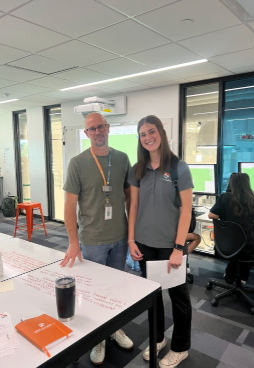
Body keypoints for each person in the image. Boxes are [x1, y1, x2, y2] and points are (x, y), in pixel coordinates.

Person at [60, 112, 133, 365]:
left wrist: (132, 235)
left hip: (120, 238)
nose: (97, 132)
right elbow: (69, 206)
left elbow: (129, 197)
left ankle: (114, 328)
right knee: (93, 292)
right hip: (91, 240)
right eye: (92, 129)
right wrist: (73, 241)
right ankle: (97, 337)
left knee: (115, 290)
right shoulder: (77, 163)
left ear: (108, 127)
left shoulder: (122, 159)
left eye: (101, 127)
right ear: (86, 133)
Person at [128, 115, 193, 368]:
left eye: (151, 131)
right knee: (152, 296)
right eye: (143, 134)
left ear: (161, 133)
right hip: (144, 243)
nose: (148, 137)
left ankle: (180, 347)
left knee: (179, 299)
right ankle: (157, 339)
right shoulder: (138, 168)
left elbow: (186, 210)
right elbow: (133, 205)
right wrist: (132, 239)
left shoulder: (178, 167)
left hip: (171, 245)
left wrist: (178, 248)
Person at [208, 172, 254, 284]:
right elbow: (253, 219)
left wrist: (225, 215)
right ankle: (243, 277)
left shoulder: (224, 198)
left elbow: (211, 215)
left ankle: (230, 275)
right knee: (244, 251)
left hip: (228, 244)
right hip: (248, 247)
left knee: (236, 252)